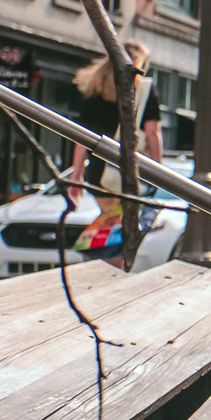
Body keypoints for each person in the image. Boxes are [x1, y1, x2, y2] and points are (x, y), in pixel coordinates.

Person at [65, 43, 164, 268]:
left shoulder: (95, 90)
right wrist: (157, 169)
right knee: (121, 229)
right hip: (127, 170)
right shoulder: (142, 90)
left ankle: (105, 267)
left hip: (99, 173)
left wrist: (76, 175)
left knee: (111, 223)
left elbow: (82, 138)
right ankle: (112, 272)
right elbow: (152, 132)